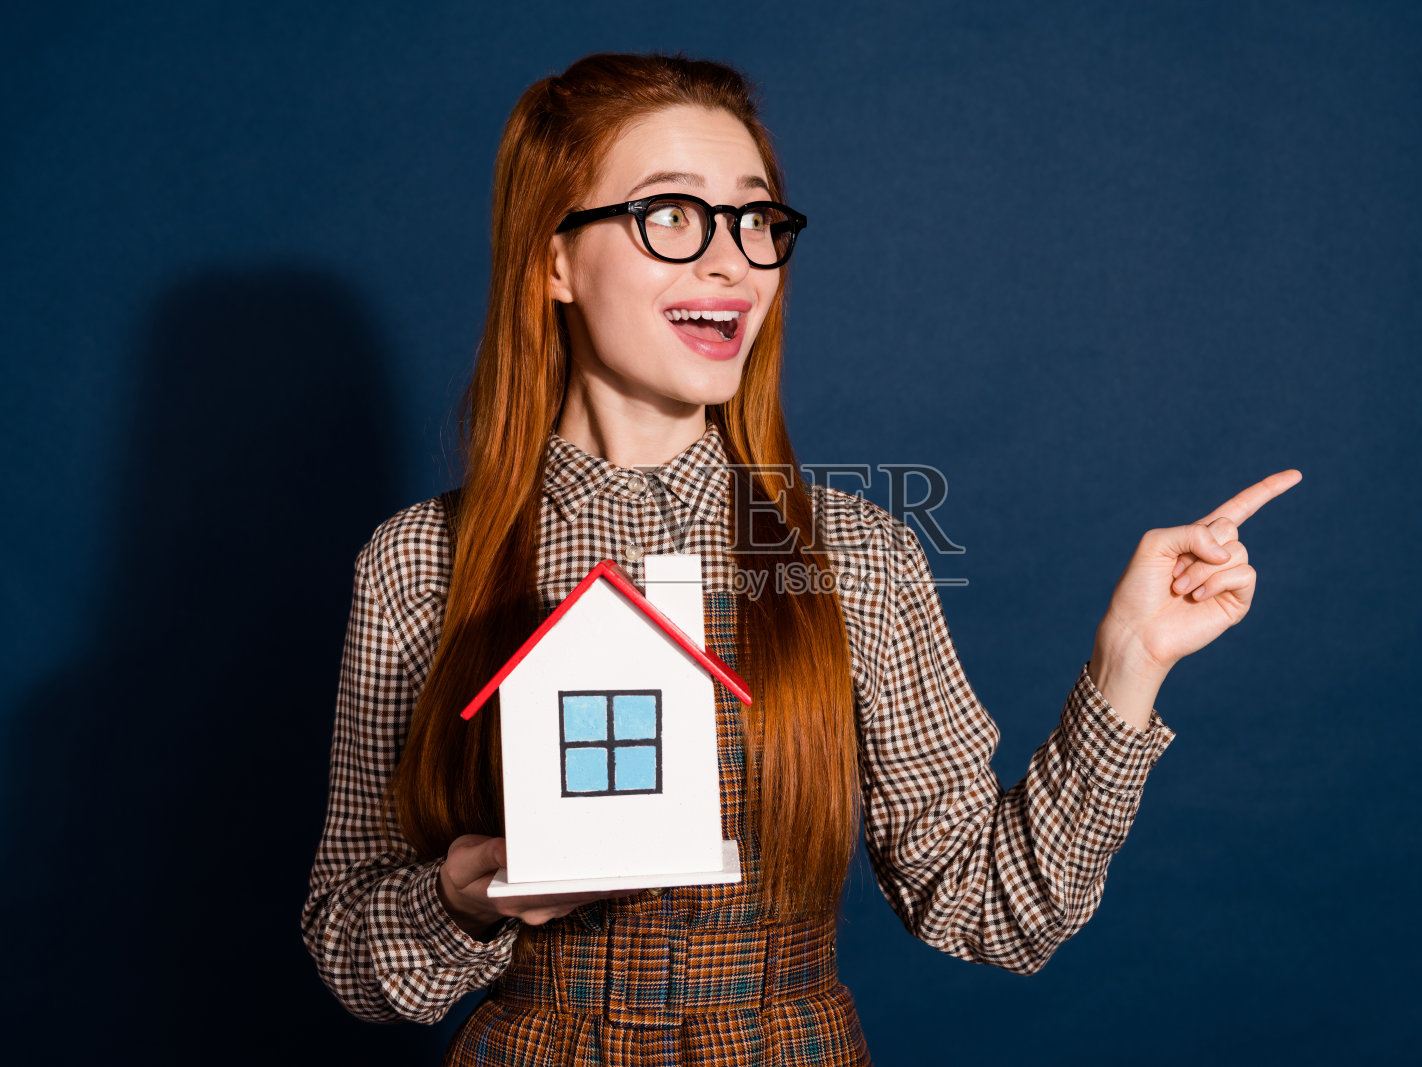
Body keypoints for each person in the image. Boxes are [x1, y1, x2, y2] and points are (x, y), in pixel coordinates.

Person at [300, 51, 1300, 1065]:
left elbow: (995, 910)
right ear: (553, 258)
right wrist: (458, 898)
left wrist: (1128, 666)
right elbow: (349, 947)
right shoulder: (421, 562)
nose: (732, 262)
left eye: (753, 219)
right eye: (671, 216)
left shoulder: (854, 554)